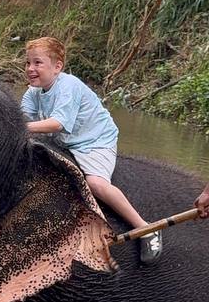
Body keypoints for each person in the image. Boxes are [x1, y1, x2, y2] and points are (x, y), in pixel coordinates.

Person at [20, 35, 163, 264]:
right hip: (66, 142)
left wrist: (20, 127)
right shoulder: (33, 93)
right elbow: (22, 118)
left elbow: (57, 123)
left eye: (38, 63)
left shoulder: (68, 86)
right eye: (28, 63)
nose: (30, 68)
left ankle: (146, 229)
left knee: (96, 184)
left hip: (94, 141)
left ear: (57, 67)